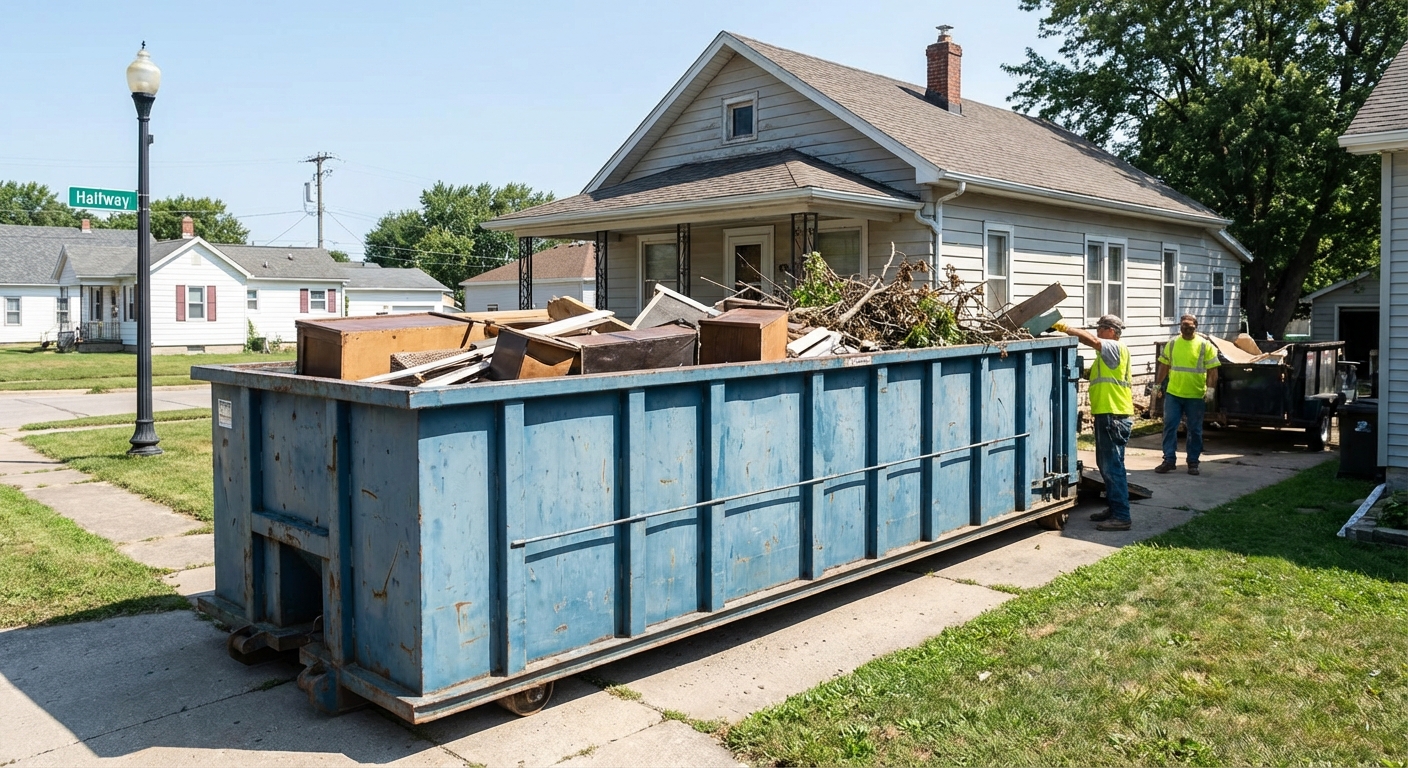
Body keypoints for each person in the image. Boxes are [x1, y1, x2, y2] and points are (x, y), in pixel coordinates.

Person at [1052, 314, 1133, 531]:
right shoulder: (1110, 355)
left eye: (1101, 328)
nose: (1098, 332)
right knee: (1111, 466)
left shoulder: (1114, 347)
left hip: (1113, 415)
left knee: (1111, 467)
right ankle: (1115, 508)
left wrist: (1065, 328)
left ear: (1111, 331)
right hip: (1113, 415)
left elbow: (1092, 341)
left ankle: (1121, 516)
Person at [1154, 314, 1220, 475]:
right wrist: (1157, 385)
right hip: (1174, 393)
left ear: (1196, 327)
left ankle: (1193, 462)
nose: (1187, 330)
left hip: (1195, 395)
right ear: (1180, 327)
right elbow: (1164, 365)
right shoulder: (1173, 343)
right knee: (1170, 426)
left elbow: (1213, 371)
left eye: (1190, 327)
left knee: (1195, 430)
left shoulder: (1205, 345)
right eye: (1184, 326)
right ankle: (1169, 460)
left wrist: (1210, 390)